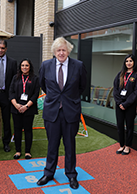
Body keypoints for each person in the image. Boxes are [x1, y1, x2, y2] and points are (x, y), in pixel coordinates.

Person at [37, 37, 87, 189]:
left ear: (68, 51)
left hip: (70, 111)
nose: (61, 53)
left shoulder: (78, 66)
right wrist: (56, 98)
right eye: (58, 50)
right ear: (54, 51)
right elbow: (43, 85)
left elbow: (82, 86)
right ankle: (48, 173)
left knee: (69, 145)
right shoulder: (46, 65)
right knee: (52, 144)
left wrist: (68, 99)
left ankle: (71, 175)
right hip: (52, 111)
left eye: (63, 50)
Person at [9, 59, 40, 160]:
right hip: (16, 108)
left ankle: (27, 152)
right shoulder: (15, 78)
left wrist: (26, 106)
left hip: (29, 109)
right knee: (17, 130)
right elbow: (11, 92)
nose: (24, 67)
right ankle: (18, 151)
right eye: (22, 65)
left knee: (28, 130)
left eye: (26, 65)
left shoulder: (35, 78)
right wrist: (16, 105)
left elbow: (36, 94)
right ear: (20, 67)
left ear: (30, 66)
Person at [113, 54, 137, 155]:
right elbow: (115, 90)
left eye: (130, 61)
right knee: (120, 125)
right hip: (119, 105)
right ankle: (121, 145)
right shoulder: (120, 74)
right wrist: (120, 103)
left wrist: (126, 103)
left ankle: (128, 146)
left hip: (130, 105)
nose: (128, 63)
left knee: (129, 126)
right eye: (126, 61)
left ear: (134, 62)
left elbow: (136, 92)